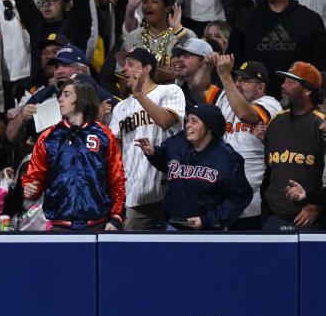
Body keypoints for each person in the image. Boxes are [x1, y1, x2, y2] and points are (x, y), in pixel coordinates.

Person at [21, 78, 125, 231]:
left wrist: (117, 216)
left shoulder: (104, 135)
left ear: (81, 98)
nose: (60, 99)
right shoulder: (48, 137)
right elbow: (34, 178)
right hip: (59, 225)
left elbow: (117, 179)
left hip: (97, 224)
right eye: (61, 95)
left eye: (66, 95)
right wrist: (30, 188)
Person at [135, 102, 251, 231]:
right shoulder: (177, 143)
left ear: (209, 127)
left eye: (194, 121)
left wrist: (207, 220)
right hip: (174, 224)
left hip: (208, 231)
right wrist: (153, 153)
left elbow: (239, 197)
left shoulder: (227, 158)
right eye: (187, 120)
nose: (188, 124)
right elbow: (168, 163)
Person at [110, 46, 187, 230]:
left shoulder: (170, 91)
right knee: (135, 254)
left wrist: (139, 96)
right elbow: (114, 150)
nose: (124, 69)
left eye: (130, 64)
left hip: (170, 189)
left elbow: (166, 121)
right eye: (123, 65)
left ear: (147, 69)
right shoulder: (120, 107)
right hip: (135, 194)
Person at [203, 56, 283, 229]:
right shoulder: (228, 99)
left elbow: (245, 115)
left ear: (260, 87)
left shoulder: (270, 104)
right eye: (237, 79)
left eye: (245, 80)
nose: (238, 84)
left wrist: (225, 76)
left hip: (252, 201)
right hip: (222, 199)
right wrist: (207, 67)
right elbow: (198, 87)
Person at [226, 0, 326, 92]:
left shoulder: (310, 20)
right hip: (253, 96)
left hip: (297, 96)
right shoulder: (246, 17)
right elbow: (232, 57)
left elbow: (320, 65)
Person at [261, 62, 326, 231]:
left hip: (310, 217)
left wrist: (316, 206)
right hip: (274, 215)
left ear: (307, 90)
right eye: (284, 81)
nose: (283, 86)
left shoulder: (321, 123)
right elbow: (269, 167)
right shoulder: (276, 121)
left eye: (290, 81)